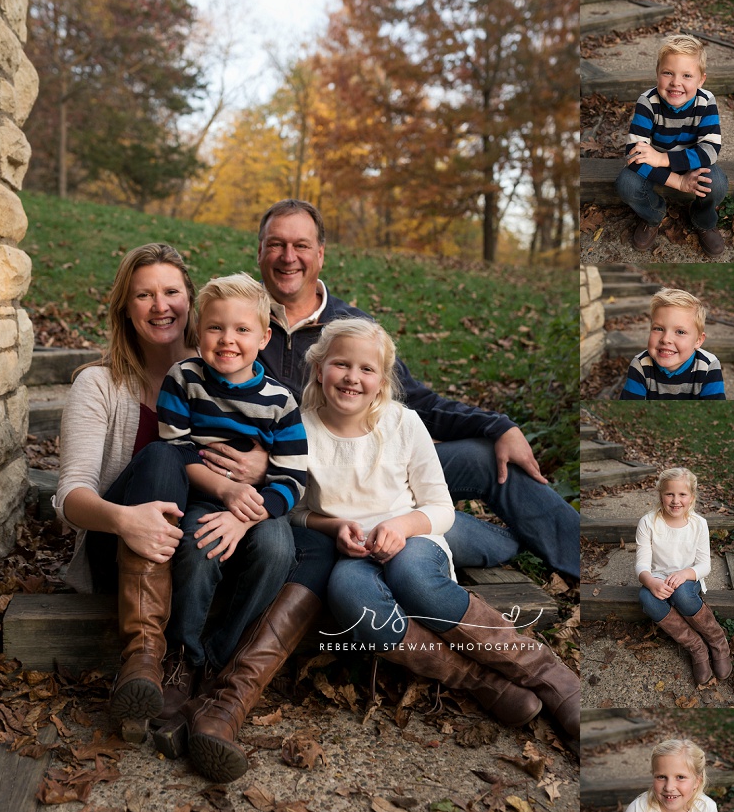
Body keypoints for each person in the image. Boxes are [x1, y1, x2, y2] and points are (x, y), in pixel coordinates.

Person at [184, 319, 579, 783]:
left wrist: (401, 525)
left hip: (411, 537)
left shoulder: (401, 423)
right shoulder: (298, 430)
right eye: (341, 364)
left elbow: (439, 507)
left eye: (366, 369)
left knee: (413, 577)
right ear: (318, 369)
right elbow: (293, 510)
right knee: (350, 599)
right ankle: (479, 682)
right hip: (351, 555)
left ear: (383, 380)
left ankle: (551, 678)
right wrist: (334, 528)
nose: (353, 377)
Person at [195, 198, 579, 579]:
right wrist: (277, 467)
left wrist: (498, 425)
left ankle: (580, 557)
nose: (288, 256)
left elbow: (414, 399)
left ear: (321, 254)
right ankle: (480, 537)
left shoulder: (350, 324)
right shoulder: (236, 325)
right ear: (260, 250)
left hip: (375, 467)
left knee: (486, 455)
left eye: (301, 245)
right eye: (276, 244)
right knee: (422, 533)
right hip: (312, 493)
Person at [54, 243, 197, 726]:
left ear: (190, 300)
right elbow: (70, 496)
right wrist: (124, 519)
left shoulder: (221, 374)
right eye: (143, 295)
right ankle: (143, 655)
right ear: (124, 308)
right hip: (115, 545)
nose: (161, 306)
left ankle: (161, 661)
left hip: (197, 545)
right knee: (162, 456)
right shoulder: (98, 384)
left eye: (171, 291)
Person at [155, 274, 307, 714]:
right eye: (215, 327)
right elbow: (175, 450)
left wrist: (245, 515)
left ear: (264, 336)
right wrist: (223, 489)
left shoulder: (281, 402)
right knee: (198, 545)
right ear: (198, 331)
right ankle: (183, 656)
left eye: (242, 330)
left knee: (278, 551)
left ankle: (222, 657)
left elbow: (292, 478)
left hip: (258, 506)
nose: (227, 340)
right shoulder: (183, 378)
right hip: (201, 493)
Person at [615, 34, 728, 259]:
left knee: (716, 183)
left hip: (690, 162)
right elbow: (634, 155)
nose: (676, 82)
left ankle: (703, 221)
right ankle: (653, 215)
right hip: (653, 166)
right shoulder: (648, 102)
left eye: (687, 75)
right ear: (658, 73)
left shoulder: (706, 102)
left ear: (701, 80)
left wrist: (663, 159)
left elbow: (710, 150)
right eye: (668, 73)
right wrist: (677, 181)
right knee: (626, 183)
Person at [636, 468, 732, 685]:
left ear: (692, 497)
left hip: (689, 578)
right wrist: (650, 581)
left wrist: (684, 574)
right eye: (670, 494)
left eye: (682, 495)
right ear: (661, 494)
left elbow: (704, 565)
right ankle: (697, 648)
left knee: (683, 595)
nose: (675, 500)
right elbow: (642, 564)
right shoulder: (648, 522)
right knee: (646, 598)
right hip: (659, 577)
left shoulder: (698, 524)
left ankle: (717, 642)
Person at [619, 288, 726, 400]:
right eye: (659, 328)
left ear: (698, 340)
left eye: (680, 332)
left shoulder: (709, 366)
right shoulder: (640, 365)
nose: (665, 339)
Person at [617, 739, 720, 812]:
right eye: (661, 777)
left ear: (697, 781)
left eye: (680, 777)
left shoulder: (706, 810)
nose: (669, 787)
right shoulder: (637, 810)